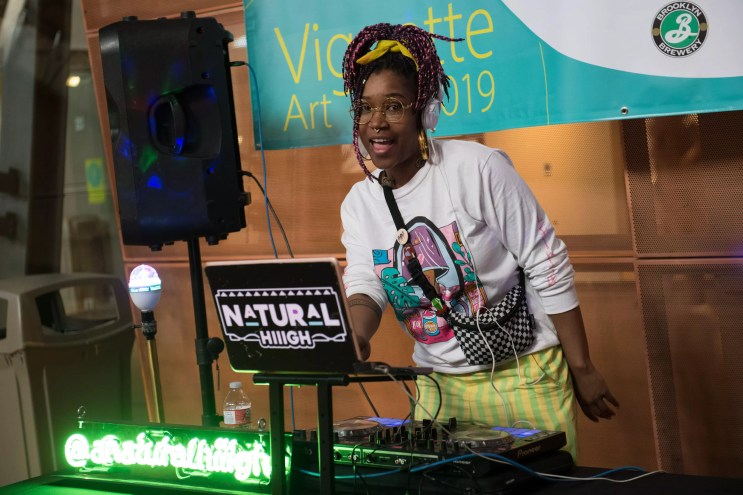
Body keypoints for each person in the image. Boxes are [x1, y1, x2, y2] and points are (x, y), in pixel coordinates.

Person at [339, 22, 618, 458]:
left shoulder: (477, 168)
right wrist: (355, 336)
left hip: (525, 374)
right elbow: (366, 283)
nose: (376, 122)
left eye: (393, 106)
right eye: (365, 108)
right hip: (437, 388)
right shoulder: (360, 203)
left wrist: (581, 367)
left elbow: (546, 262)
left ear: (425, 112)